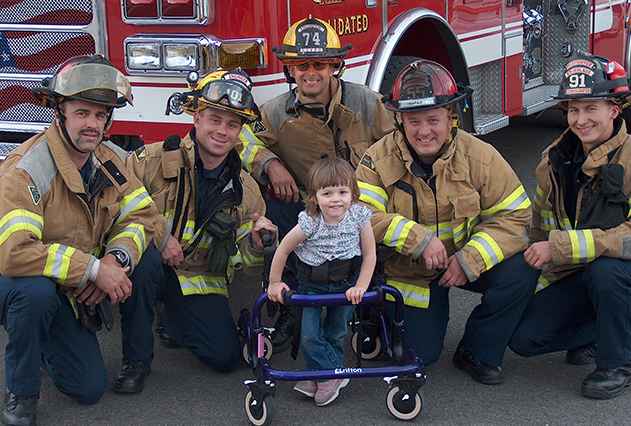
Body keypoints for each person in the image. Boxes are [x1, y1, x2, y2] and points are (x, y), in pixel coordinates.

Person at [0, 55, 162, 426]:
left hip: (71, 274)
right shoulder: (26, 171)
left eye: (101, 115)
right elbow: (13, 255)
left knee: (87, 389)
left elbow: (144, 216)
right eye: (83, 113)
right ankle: (20, 393)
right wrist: (93, 270)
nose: (93, 125)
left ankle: (133, 358)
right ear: (59, 113)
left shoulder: (111, 159)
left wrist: (116, 260)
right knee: (32, 295)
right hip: (11, 281)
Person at [355, 59, 539, 385]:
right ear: (399, 119)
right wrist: (418, 239)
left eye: (433, 119)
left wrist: (471, 257)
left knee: (522, 268)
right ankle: (374, 314)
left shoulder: (480, 156)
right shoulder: (377, 159)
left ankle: (477, 350)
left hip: (463, 260)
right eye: (413, 121)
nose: (424, 131)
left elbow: (515, 215)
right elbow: (360, 217)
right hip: (410, 273)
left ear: (450, 116)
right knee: (419, 356)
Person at [239, 16, 395, 352]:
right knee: (276, 211)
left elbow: (399, 144)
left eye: (320, 63)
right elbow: (243, 141)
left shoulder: (367, 103)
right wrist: (271, 163)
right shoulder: (276, 112)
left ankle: (371, 303)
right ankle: (290, 307)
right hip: (311, 209)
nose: (311, 72)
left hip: (362, 208)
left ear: (335, 66)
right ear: (289, 69)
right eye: (301, 64)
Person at [127, 69, 277, 373]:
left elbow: (247, 264)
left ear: (240, 132)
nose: (222, 131)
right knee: (144, 267)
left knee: (223, 358)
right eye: (215, 120)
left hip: (197, 277)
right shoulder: (150, 162)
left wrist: (258, 245)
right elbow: (116, 212)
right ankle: (136, 360)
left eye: (232, 124)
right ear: (196, 120)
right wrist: (158, 236)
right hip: (150, 265)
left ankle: (172, 320)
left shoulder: (246, 191)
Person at [508, 52, 631, 399]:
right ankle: (604, 331)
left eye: (592, 108)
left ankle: (616, 363)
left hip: (618, 273)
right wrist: (529, 284)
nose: (581, 119)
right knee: (524, 338)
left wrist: (561, 248)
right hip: (582, 274)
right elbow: (541, 229)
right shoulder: (555, 161)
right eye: (574, 109)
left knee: (607, 272)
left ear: (614, 110)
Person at [268, 157, 376, 406]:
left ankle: (322, 375)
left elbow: (370, 254)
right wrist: (275, 282)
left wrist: (361, 286)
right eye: (327, 193)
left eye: (342, 192)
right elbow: (282, 250)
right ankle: (329, 375)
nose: (336, 199)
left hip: (347, 282)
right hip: (313, 284)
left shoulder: (359, 216)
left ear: (353, 193)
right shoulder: (310, 221)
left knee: (337, 332)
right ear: (315, 196)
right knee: (308, 334)